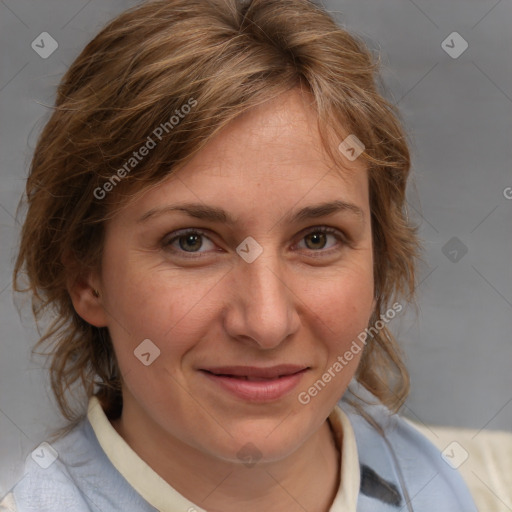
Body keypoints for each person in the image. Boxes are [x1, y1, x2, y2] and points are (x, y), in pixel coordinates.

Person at [2, 0, 477, 510]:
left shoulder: (433, 482)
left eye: (317, 238)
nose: (266, 323)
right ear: (86, 279)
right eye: (191, 242)